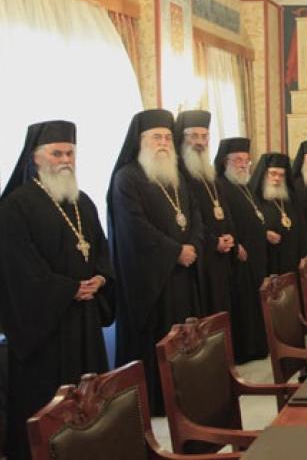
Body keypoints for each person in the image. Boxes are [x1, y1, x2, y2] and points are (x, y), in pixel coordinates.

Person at [0, 121, 114, 460]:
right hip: (45, 332)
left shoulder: (83, 202)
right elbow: (18, 269)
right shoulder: (15, 206)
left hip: (85, 321)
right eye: (57, 153)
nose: (65, 160)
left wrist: (101, 279)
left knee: (88, 397)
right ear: (35, 157)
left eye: (70, 153)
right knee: (48, 406)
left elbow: (101, 250)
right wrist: (68, 290)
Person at [109, 109, 204, 414]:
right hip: (150, 282)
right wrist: (176, 251)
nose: (163, 143)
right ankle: (158, 401)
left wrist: (193, 245)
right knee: (158, 340)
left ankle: (184, 396)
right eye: (156, 137)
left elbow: (194, 216)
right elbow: (134, 227)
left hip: (182, 275)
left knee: (183, 339)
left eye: (166, 137)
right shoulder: (127, 178)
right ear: (140, 142)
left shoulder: (175, 177)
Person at [175, 110, 235, 316]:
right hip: (200, 258)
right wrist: (212, 242)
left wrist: (230, 236)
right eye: (194, 136)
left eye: (204, 136)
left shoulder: (209, 172)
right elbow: (190, 218)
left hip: (221, 255)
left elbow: (224, 209)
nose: (200, 142)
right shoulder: (177, 174)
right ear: (182, 138)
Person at [214, 137, 268, 363]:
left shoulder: (246, 185)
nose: (243, 165)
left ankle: (259, 345)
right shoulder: (221, 186)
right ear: (225, 161)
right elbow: (223, 221)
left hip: (256, 253)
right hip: (239, 256)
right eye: (237, 160)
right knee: (243, 302)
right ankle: (246, 350)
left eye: (246, 160)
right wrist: (237, 243)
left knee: (255, 300)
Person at [251, 152, 307, 275]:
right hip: (268, 259)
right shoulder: (254, 197)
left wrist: (304, 255)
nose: (277, 178)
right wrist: (264, 233)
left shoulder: (290, 197)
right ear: (264, 174)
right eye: (273, 173)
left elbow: (302, 226)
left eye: (281, 175)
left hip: (292, 258)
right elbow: (248, 227)